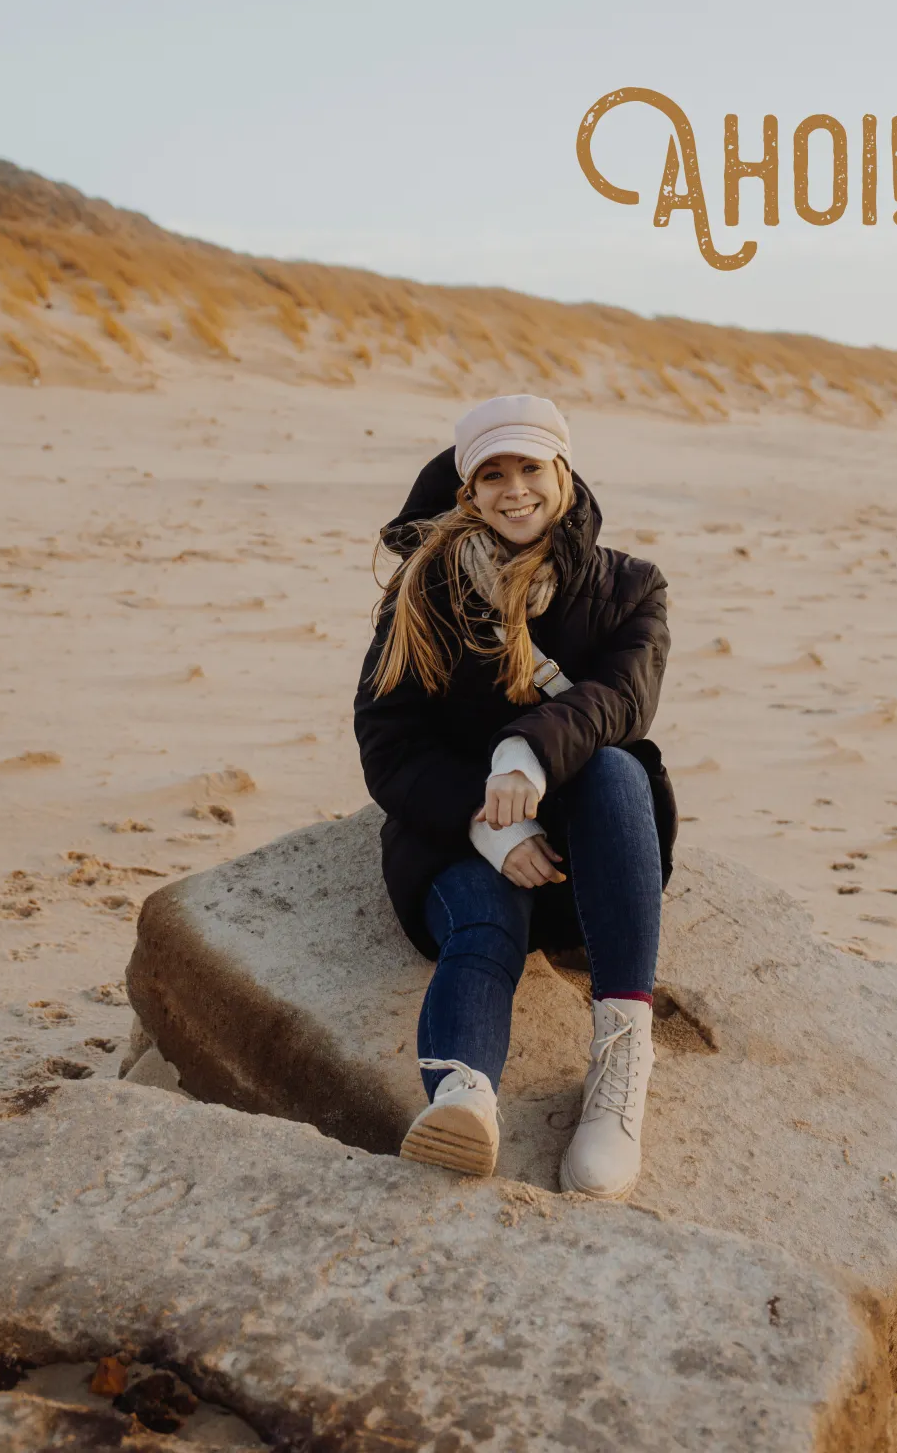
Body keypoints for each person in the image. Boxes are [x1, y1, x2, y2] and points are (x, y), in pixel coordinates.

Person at [353, 393, 677, 1200]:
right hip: (458, 835)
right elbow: (389, 745)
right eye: (491, 474)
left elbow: (620, 701)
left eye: (530, 467)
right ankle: (465, 1102)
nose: (514, 489)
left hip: (587, 859)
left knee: (615, 765)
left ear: (562, 471)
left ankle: (620, 1061)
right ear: (467, 491)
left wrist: (523, 757)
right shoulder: (420, 594)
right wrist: (491, 823)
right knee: (484, 921)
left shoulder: (632, 588)